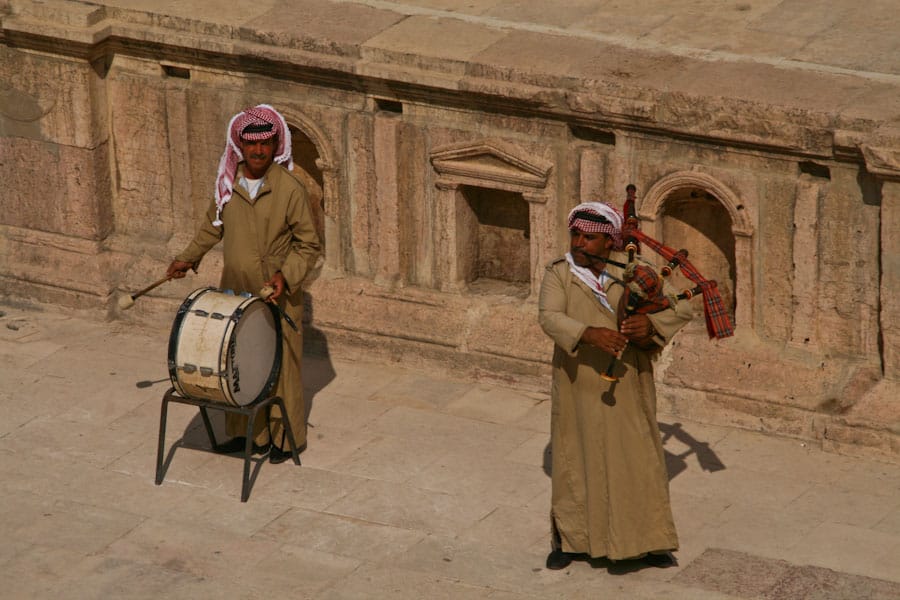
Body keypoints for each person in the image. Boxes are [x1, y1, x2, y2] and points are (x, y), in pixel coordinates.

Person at [537, 201, 692, 570]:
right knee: (575, 459)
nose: (579, 243)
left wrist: (650, 329)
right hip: (578, 383)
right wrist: (588, 334)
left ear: (609, 242)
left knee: (634, 460)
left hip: (626, 383)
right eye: (575, 234)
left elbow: (681, 307)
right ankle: (573, 541)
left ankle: (646, 542)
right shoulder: (561, 272)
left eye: (588, 238)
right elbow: (549, 316)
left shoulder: (638, 272)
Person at [167, 104, 321, 464]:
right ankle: (248, 434)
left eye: (265, 144)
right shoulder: (229, 183)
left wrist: (287, 275)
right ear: (240, 144)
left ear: (275, 144)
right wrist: (188, 257)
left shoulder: (289, 188)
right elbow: (212, 225)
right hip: (236, 290)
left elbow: (308, 244)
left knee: (280, 368)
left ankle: (286, 440)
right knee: (237, 363)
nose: (258, 151)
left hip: (276, 294)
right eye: (252, 145)